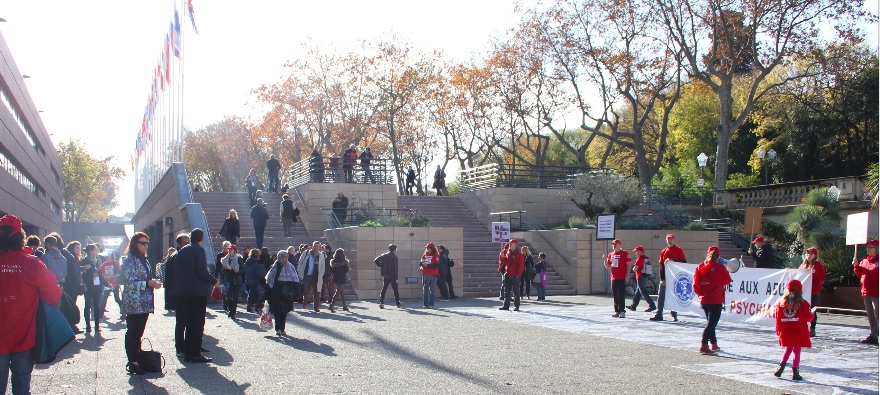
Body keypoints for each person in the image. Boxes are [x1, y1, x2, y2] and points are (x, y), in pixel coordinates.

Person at [0, 214, 63, 395]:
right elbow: (54, 295)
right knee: (22, 385)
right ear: (21, 237)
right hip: (24, 336)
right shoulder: (33, 263)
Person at [167, 228, 219, 363]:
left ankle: (188, 351)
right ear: (201, 238)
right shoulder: (199, 250)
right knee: (197, 323)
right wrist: (214, 281)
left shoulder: (182, 251)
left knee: (189, 323)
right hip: (196, 292)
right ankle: (195, 353)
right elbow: (202, 271)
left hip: (184, 292)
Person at [120, 232, 163, 374]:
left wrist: (153, 283)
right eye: (142, 243)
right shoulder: (129, 260)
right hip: (134, 303)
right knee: (132, 332)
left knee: (138, 332)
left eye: (147, 243)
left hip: (145, 303)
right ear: (134, 244)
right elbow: (129, 282)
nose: (145, 246)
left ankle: (137, 358)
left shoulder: (144, 259)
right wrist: (148, 283)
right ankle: (133, 361)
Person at [693, 246, 733, 354]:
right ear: (718, 256)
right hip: (715, 299)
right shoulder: (719, 267)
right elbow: (727, 280)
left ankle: (714, 344)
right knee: (712, 324)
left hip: (704, 299)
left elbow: (695, 284)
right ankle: (704, 344)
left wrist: (701, 294)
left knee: (710, 323)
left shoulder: (700, 266)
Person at [773, 279, 812, 381]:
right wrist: (812, 314)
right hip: (798, 331)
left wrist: (778, 330)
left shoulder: (781, 304)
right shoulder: (803, 304)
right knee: (797, 351)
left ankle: (780, 367)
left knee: (788, 349)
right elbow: (808, 317)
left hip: (786, 331)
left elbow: (777, 319)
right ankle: (795, 372)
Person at [652, 234, 685, 322]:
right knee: (661, 296)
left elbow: (683, 263)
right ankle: (659, 314)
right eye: (668, 239)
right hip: (666, 278)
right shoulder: (664, 251)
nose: (670, 241)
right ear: (666, 240)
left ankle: (674, 314)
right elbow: (661, 266)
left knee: (674, 296)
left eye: (671, 239)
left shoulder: (679, 250)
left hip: (675, 278)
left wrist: (673, 262)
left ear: (674, 240)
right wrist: (662, 279)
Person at [266, 250, 298, 336]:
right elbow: (269, 278)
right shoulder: (275, 266)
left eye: (287, 257)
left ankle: (282, 328)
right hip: (276, 290)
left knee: (285, 310)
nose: (285, 259)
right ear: (280, 257)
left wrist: (297, 290)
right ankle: (278, 328)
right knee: (277, 309)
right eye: (284, 257)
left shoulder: (290, 266)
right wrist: (271, 287)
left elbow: (295, 278)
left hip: (287, 290)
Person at [853, 239, 879, 345]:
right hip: (866, 291)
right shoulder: (865, 260)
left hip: (877, 292)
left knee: (878, 313)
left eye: (870, 248)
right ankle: (874, 335)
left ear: (876, 249)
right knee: (871, 315)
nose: (867, 249)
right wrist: (856, 266)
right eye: (867, 248)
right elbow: (860, 274)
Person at [81, 244, 109, 333]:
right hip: (89, 287)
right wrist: (90, 275)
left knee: (97, 306)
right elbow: (82, 275)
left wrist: (106, 284)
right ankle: (88, 326)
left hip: (97, 287)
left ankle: (97, 326)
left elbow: (100, 274)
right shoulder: (84, 261)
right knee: (88, 305)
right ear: (90, 251)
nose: (97, 251)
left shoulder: (97, 261)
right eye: (95, 249)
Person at [799, 247, 826, 337]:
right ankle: (803, 327)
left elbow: (822, 277)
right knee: (803, 310)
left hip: (814, 292)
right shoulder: (803, 265)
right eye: (807, 254)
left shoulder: (818, 265)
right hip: (804, 292)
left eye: (810, 254)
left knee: (812, 310)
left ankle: (812, 329)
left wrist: (815, 274)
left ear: (815, 255)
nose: (808, 255)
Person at [604, 239, 631, 318]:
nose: (614, 245)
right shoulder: (611, 254)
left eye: (615, 244)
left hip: (622, 277)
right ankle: (617, 310)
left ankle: (622, 310)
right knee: (615, 295)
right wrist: (605, 260)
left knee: (621, 295)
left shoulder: (624, 253)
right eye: (613, 244)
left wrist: (627, 275)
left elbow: (629, 264)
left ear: (619, 245)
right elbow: (608, 267)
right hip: (614, 278)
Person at [297, 241, 326, 312]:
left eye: (317, 246)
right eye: (315, 246)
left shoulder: (321, 255)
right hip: (307, 275)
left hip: (317, 276)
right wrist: (299, 271)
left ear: (319, 247)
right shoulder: (306, 253)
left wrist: (322, 274)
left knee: (317, 292)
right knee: (306, 291)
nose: (316, 248)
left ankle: (316, 307)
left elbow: (323, 266)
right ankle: (305, 302)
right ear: (312, 246)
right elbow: (300, 262)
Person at [628, 245, 657, 313]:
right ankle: (633, 306)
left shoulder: (640, 259)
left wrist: (632, 269)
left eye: (637, 251)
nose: (636, 253)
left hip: (640, 276)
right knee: (638, 292)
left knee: (643, 291)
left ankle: (652, 305)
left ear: (641, 252)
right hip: (645, 276)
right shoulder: (646, 258)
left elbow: (635, 269)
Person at [375, 244, 402, 309]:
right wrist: (396, 277)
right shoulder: (395, 257)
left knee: (384, 289)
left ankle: (381, 302)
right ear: (395, 249)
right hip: (393, 276)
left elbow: (376, 260)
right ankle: (397, 303)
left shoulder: (384, 255)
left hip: (385, 275)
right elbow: (395, 268)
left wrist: (381, 266)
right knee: (395, 290)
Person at [500, 240, 525, 311]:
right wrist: (502, 257)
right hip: (508, 274)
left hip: (515, 275)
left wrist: (517, 275)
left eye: (512, 244)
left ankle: (516, 306)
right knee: (506, 291)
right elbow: (506, 262)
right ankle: (506, 306)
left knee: (516, 291)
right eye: (510, 244)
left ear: (516, 245)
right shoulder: (508, 252)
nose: (510, 245)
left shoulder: (519, 255)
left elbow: (521, 266)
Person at [220, 244, 243, 319]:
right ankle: (230, 310)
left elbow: (243, 270)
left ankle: (233, 312)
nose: (229, 251)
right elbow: (222, 271)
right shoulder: (225, 259)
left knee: (235, 297)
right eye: (229, 249)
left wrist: (237, 271)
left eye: (231, 249)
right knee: (228, 297)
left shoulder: (239, 258)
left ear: (235, 250)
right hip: (228, 279)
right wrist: (225, 269)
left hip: (236, 280)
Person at [100, 252, 123, 320]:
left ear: (112, 256)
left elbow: (120, 273)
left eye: (108, 256)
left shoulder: (116, 263)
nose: (107, 257)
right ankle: (101, 313)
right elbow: (101, 271)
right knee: (104, 298)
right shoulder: (104, 264)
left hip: (115, 283)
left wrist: (114, 276)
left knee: (117, 298)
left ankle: (123, 312)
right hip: (107, 283)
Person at [244, 248, 267, 312]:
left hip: (248, 279)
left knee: (255, 293)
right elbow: (257, 272)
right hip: (254, 279)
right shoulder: (255, 262)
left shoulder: (247, 261)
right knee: (252, 293)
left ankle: (258, 304)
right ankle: (249, 305)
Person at [329, 249, 351, 313]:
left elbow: (331, 270)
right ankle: (332, 305)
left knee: (341, 292)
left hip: (335, 277)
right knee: (338, 292)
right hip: (342, 277)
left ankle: (344, 306)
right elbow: (346, 270)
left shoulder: (333, 261)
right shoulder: (344, 261)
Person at [420, 243, 440, 308]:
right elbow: (421, 262)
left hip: (432, 274)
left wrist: (427, 265)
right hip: (425, 273)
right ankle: (425, 304)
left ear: (431, 248)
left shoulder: (436, 255)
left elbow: (436, 265)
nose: (427, 249)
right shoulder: (425, 254)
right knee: (425, 289)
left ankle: (431, 304)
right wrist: (421, 264)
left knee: (432, 289)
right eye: (427, 248)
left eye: (428, 248)